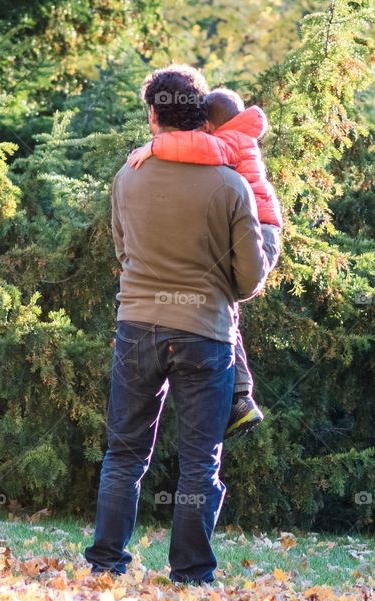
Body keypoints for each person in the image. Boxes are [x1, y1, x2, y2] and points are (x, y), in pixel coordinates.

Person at [84, 65, 275, 584]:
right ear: (202, 117)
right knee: (198, 463)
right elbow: (248, 280)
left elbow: (123, 253)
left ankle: (106, 562)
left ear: (153, 114)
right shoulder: (231, 185)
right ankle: (190, 573)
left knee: (123, 452)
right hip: (206, 333)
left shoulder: (129, 176)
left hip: (137, 325)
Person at [127, 87, 283, 438]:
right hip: (258, 226)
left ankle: (240, 397)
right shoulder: (238, 135)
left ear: (210, 125)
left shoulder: (229, 141)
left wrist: (154, 146)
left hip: (260, 233)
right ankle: (240, 398)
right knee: (218, 301)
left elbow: (195, 148)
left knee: (219, 297)